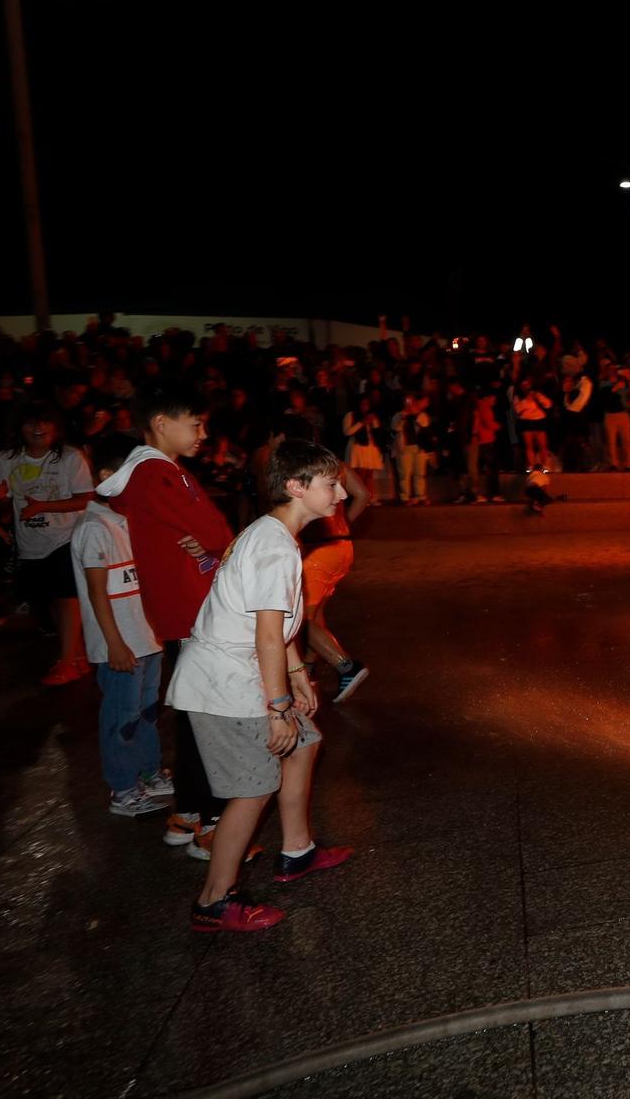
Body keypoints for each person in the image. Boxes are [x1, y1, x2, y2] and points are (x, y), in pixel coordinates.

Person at [169, 439, 355, 933]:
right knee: (252, 789)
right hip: (224, 685)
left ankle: (297, 851)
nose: (340, 494)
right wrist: (278, 706)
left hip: (242, 671)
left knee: (303, 744)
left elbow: (271, 625)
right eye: (330, 484)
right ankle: (214, 900)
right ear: (297, 487)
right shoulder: (275, 547)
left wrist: (296, 675)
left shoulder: (274, 535)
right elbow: (268, 632)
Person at [102, 382, 232, 859]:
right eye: (195, 424)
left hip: (186, 609)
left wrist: (211, 540)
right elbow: (217, 529)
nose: (203, 433)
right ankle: (207, 825)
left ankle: (189, 814)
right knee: (208, 718)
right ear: (161, 424)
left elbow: (210, 533)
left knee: (198, 714)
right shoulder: (155, 474)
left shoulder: (159, 472)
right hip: (191, 611)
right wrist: (215, 541)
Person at [72, 432, 173, 817]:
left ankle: (148, 773)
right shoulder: (94, 527)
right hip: (121, 645)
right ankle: (122, 787)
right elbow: (98, 592)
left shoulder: (128, 520)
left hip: (145, 638)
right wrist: (114, 644)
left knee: (146, 711)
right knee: (122, 716)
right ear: (109, 475)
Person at [0, 400, 96, 685]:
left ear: (56, 428)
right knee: (47, 601)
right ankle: (78, 655)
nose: (37, 428)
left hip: (67, 537)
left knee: (66, 599)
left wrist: (43, 507)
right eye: (30, 423)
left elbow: (86, 498)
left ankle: (66, 663)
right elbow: (0, 501)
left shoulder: (70, 458)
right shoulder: (7, 459)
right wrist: (0, 499)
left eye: (44, 421)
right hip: (30, 540)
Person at [285, 414, 373, 703]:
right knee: (316, 617)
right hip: (342, 548)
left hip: (319, 551)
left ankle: (346, 665)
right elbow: (362, 495)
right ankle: (309, 675)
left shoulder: (302, 468)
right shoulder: (334, 464)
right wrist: (344, 522)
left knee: (301, 621)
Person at [393, 392, 433, 505]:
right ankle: (405, 497)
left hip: (419, 447)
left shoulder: (422, 415)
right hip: (405, 448)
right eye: (407, 402)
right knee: (404, 474)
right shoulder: (398, 415)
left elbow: (424, 426)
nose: (409, 404)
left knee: (420, 472)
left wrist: (415, 415)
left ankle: (420, 496)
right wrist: (403, 418)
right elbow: (395, 428)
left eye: (411, 401)